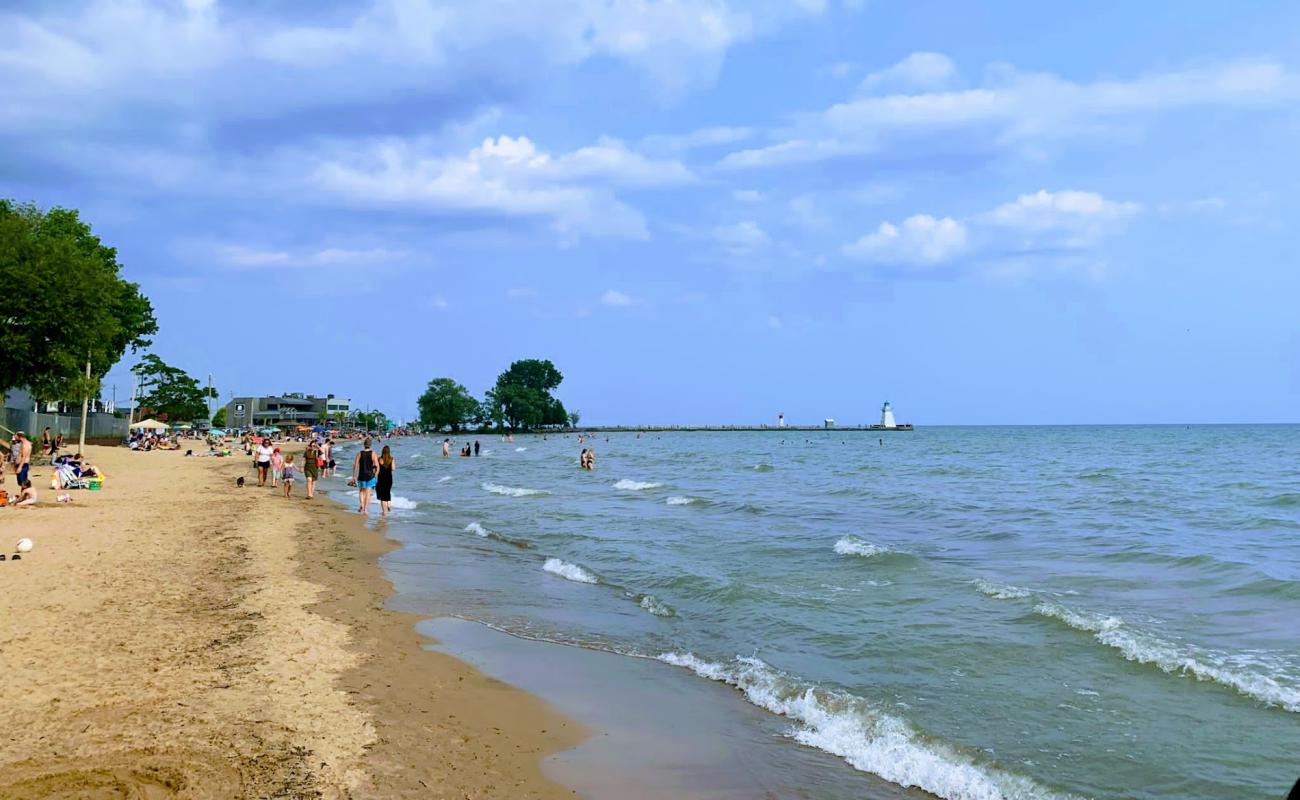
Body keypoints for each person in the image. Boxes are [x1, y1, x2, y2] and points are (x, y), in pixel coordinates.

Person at [352, 436, 380, 514]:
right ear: (370, 445)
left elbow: (356, 465)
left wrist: (354, 476)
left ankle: (361, 505)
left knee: (361, 491)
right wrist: (376, 475)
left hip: (361, 475)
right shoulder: (373, 454)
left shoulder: (359, 453)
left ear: (364, 445)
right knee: (368, 493)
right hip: (370, 475)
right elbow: (377, 466)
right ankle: (365, 509)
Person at [376, 445, 395, 518]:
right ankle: (389, 505)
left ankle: (384, 512)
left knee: (382, 496)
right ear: (389, 452)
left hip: (381, 478)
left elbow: (377, 470)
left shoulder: (379, 459)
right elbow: (393, 468)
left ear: (382, 451)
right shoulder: (392, 459)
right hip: (389, 478)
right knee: (387, 492)